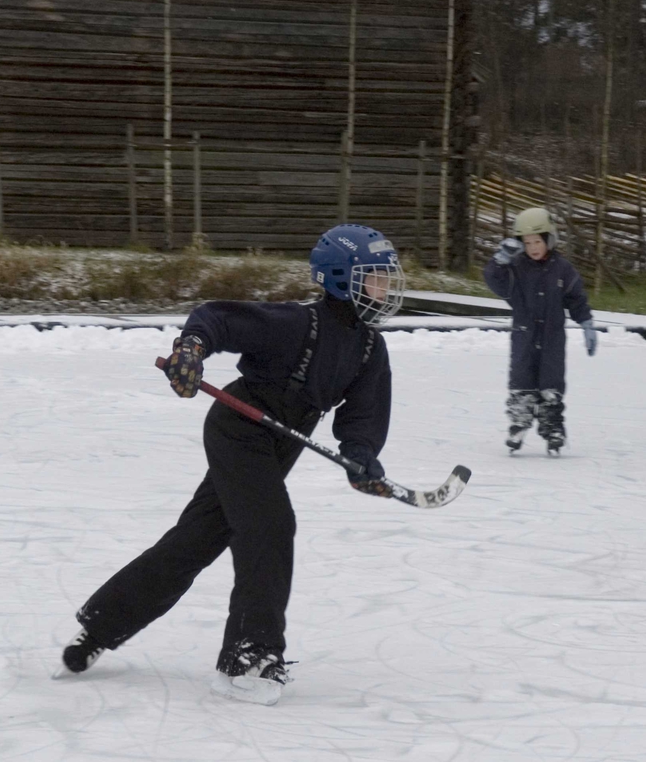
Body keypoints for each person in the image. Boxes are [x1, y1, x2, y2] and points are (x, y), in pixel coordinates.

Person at [57, 224, 404, 705]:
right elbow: (217, 319)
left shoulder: (370, 348)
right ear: (341, 278)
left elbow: (362, 416)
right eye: (377, 278)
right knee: (270, 526)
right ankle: (251, 655)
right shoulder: (294, 323)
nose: (386, 288)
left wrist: (362, 457)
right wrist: (191, 349)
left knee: (195, 541)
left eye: (387, 278)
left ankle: (99, 628)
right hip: (239, 428)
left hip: (284, 440)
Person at [483, 207, 595, 455]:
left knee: (551, 385)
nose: (533, 247)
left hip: (552, 338)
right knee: (522, 380)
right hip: (524, 335)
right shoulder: (515, 268)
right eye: (527, 242)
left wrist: (586, 322)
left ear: (549, 240)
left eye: (537, 241)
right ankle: (518, 425)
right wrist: (499, 260)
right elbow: (493, 279)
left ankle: (553, 429)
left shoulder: (562, 269)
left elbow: (576, 298)